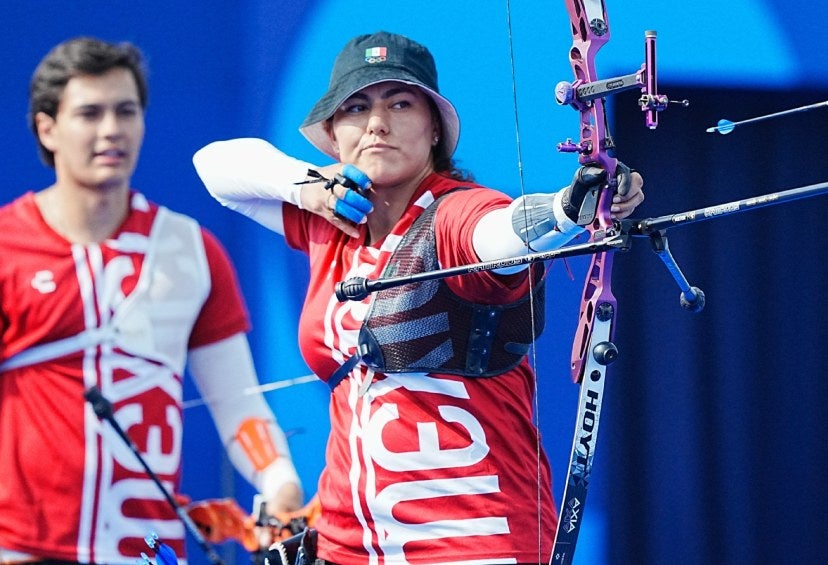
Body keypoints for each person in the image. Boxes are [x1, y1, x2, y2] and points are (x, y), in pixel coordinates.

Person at [193, 31, 645, 564]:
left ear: (434, 130)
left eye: (400, 103)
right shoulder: (327, 220)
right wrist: (308, 186)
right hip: (349, 546)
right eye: (356, 107)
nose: (377, 122)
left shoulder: (457, 213)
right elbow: (214, 166)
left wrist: (570, 208)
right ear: (334, 134)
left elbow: (500, 235)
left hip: (474, 538)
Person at [0, 37, 302, 565]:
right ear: (47, 128)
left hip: (146, 551)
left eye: (126, 111)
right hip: (17, 550)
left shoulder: (191, 250)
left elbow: (238, 403)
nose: (112, 130)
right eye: (89, 114)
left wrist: (279, 481)